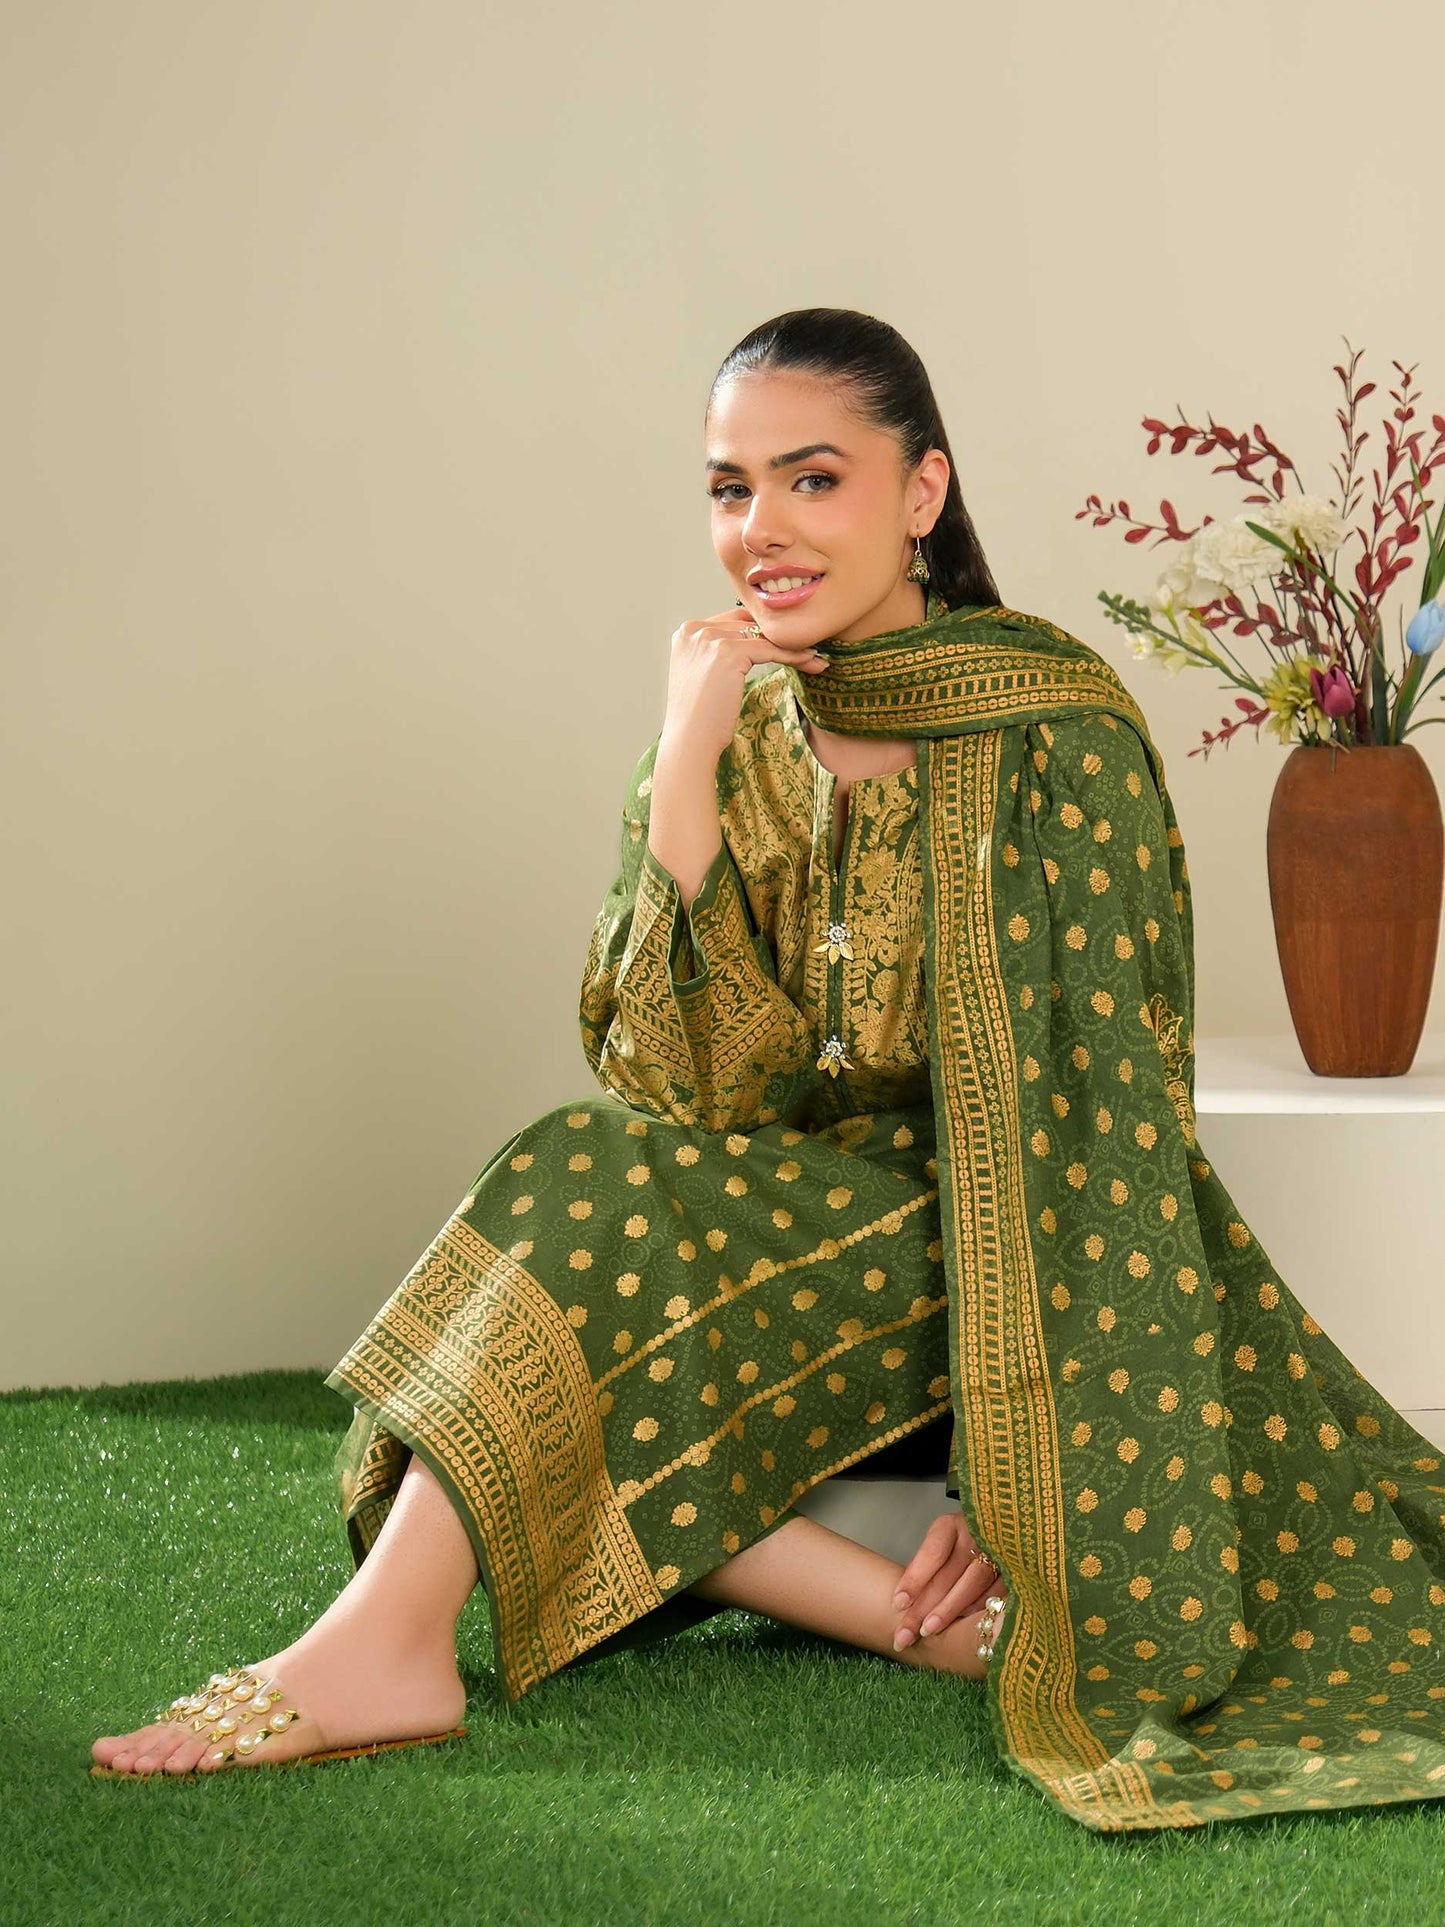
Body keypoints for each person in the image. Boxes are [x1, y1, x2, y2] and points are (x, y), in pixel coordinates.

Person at [91, 309, 1445, 1836]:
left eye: (813, 479)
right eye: (730, 489)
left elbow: (1106, 1120)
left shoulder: (1049, 731)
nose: (763, 530)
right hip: (787, 1217)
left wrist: (1022, 1464)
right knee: (591, 1168)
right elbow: (693, 1094)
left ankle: (386, 1649)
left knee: (587, 1227)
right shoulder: (737, 726)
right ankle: (865, 1622)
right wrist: (683, 765)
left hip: (1003, 1238)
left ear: (921, 491)